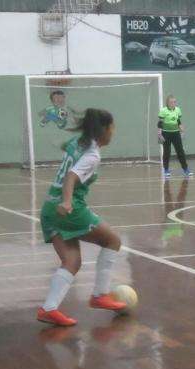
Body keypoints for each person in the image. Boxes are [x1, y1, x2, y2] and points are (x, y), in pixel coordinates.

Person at [37, 108, 127, 327]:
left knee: (72, 261)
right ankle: (100, 295)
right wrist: (67, 201)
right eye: (112, 128)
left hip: (49, 208)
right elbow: (71, 176)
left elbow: (67, 151)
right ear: (103, 130)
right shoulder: (92, 155)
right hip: (69, 209)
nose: (113, 133)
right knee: (112, 240)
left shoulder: (77, 142)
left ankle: (48, 309)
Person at [158, 95, 192, 177]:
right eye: (171, 102)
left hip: (176, 133)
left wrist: (182, 130)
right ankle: (166, 170)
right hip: (166, 134)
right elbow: (160, 123)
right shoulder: (163, 111)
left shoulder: (178, 110)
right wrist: (159, 134)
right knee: (167, 152)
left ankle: (185, 169)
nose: (173, 103)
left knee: (180, 151)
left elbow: (178, 121)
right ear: (167, 103)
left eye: (174, 102)